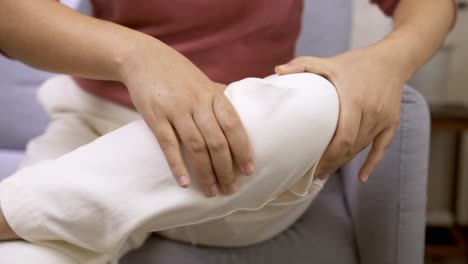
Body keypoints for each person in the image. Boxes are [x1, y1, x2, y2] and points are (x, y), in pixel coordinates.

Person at [0, 0, 456, 263]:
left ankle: (19, 208)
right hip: (93, 130)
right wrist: (135, 55)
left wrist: (389, 62)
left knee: (322, 99)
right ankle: (40, 208)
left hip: (241, 160)